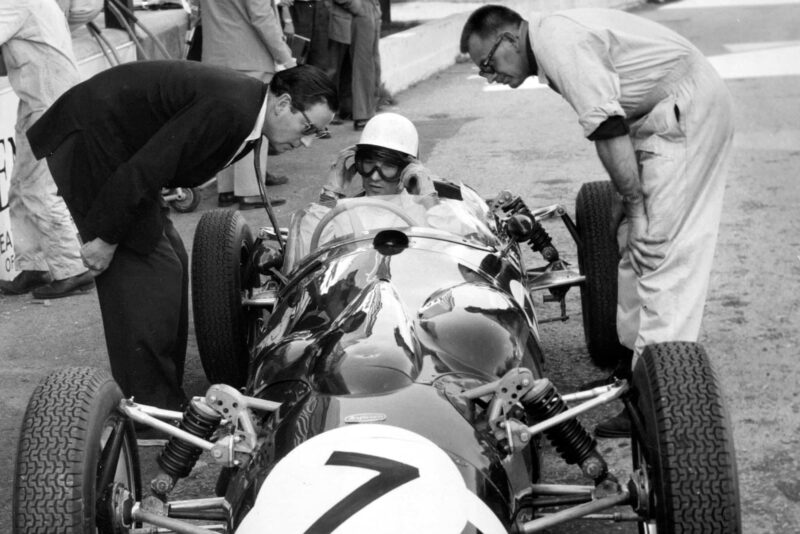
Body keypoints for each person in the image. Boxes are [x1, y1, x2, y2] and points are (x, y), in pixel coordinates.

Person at [460, 5, 734, 437]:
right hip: (652, 117)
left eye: (489, 64)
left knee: (660, 253)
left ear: (511, 38)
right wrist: (628, 202)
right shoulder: (550, 40)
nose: (490, 77)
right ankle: (631, 375)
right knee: (629, 243)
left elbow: (606, 125)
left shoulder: (557, 42)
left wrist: (636, 202)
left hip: (684, 110)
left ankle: (658, 400)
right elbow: (612, 118)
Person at [26, 60, 337, 411]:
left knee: (173, 260)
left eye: (319, 134)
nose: (309, 143)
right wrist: (106, 239)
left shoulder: (249, 110)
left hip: (121, 148)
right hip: (92, 141)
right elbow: (146, 167)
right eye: (309, 127)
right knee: (146, 270)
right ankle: (146, 409)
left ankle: (164, 394)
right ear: (282, 104)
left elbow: (167, 154)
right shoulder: (232, 109)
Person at [0, 0, 101, 299]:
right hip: (39, 95)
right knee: (21, 184)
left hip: (49, 98)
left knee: (39, 187)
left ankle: (73, 269)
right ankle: (35, 264)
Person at [198, 0, 297, 208]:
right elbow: (261, 17)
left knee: (224, 128)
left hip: (216, 57)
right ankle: (250, 190)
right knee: (254, 126)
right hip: (250, 57)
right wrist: (287, 59)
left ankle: (226, 190)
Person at [350, 0, 381, 130]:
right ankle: (361, 114)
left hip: (372, 9)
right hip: (361, 10)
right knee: (362, 65)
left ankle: (369, 111)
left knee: (373, 64)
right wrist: (357, 6)